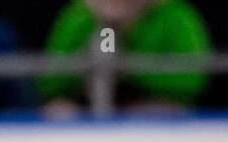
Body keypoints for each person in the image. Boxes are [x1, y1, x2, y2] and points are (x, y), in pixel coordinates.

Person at [39, 0, 212, 117]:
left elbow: (190, 81)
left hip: (151, 102)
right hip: (87, 102)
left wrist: (127, 73)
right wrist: (108, 25)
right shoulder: (80, 13)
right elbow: (51, 82)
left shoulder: (174, 15)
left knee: (160, 111)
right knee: (59, 111)